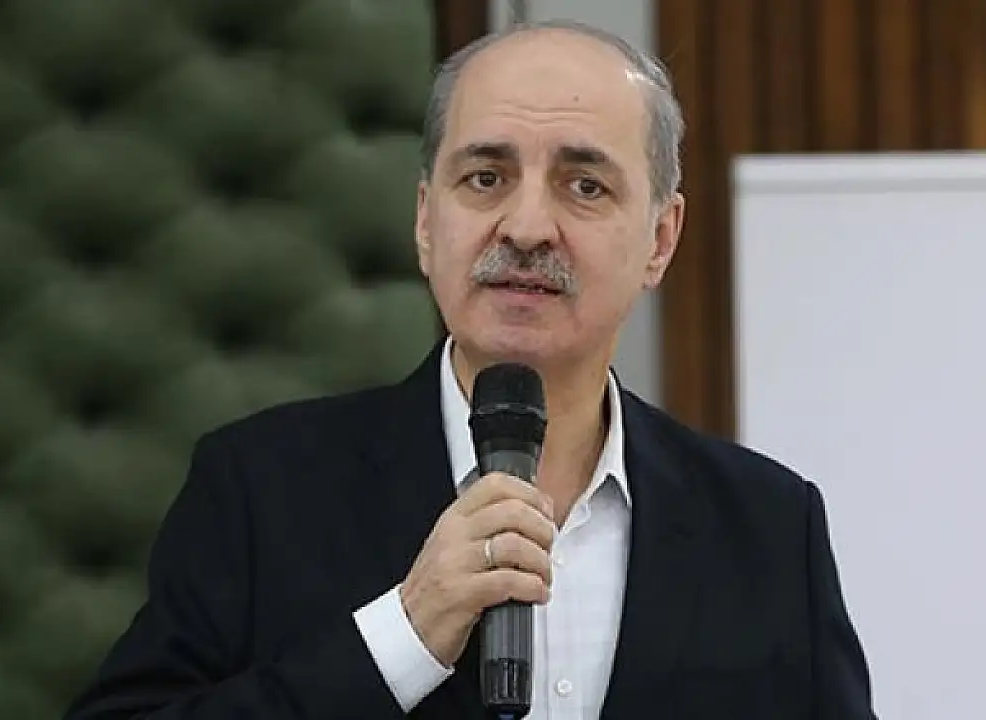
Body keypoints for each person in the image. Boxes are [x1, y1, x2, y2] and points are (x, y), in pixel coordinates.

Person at [64, 19, 877, 720]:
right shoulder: (258, 490)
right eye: (486, 178)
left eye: (584, 185)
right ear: (427, 221)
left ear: (660, 240)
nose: (526, 227)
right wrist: (404, 635)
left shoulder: (770, 530)